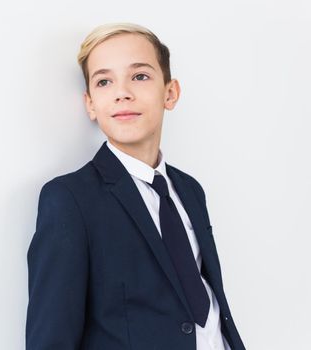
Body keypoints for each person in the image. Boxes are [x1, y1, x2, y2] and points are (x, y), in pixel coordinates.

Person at [25, 22, 246, 350]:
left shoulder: (190, 190)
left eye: (140, 76)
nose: (122, 92)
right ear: (90, 104)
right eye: (104, 81)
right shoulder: (70, 199)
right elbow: (51, 340)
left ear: (170, 93)